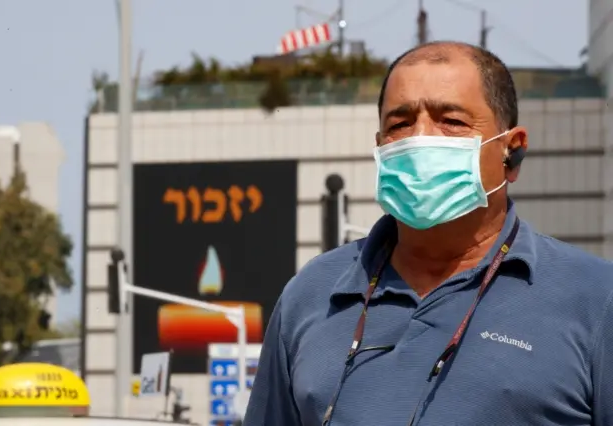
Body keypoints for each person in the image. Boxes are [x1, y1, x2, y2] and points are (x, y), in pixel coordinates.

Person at [242, 41, 613, 426]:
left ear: (512, 151)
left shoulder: (596, 299)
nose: (420, 139)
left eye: (451, 121)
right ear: (379, 147)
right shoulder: (311, 296)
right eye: (400, 124)